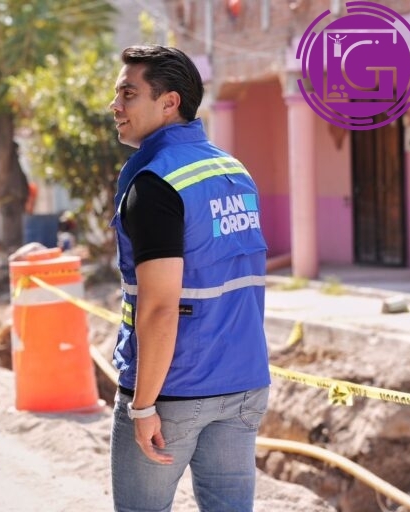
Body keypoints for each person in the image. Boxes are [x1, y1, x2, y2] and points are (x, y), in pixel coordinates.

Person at [108, 45, 271, 512]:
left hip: (174, 390)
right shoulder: (232, 171)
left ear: (169, 101)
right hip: (243, 384)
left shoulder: (156, 183)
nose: (115, 105)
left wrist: (142, 407)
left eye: (128, 93)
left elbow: (159, 308)